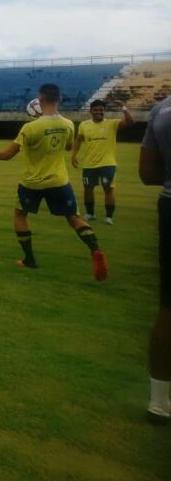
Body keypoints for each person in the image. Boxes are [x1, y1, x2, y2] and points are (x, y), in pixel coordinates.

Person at [0, 83, 107, 282]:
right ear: (58, 99)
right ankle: (95, 250)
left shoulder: (30, 127)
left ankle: (29, 259)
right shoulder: (69, 124)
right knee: (73, 217)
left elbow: (6, 155)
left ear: (41, 101)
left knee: (20, 214)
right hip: (59, 181)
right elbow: (69, 147)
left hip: (32, 182)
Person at [140, 94, 171, 423]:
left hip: (170, 204)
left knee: (167, 306)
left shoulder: (162, 109)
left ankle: (159, 401)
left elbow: (148, 173)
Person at [72, 99, 134, 224]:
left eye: (101, 110)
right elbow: (78, 140)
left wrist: (123, 107)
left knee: (108, 189)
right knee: (88, 189)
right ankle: (90, 213)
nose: (99, 112)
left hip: (107, 164)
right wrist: (74, 155)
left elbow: (130, 122)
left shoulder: (112, 124)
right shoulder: (84, 125)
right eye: (96, 110)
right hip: (89, 164)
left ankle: (109, 216)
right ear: (91, 111)